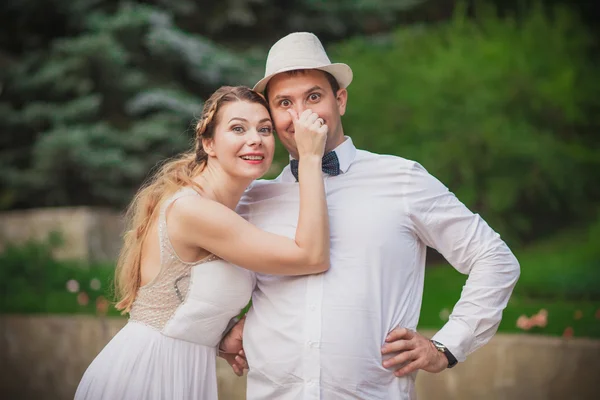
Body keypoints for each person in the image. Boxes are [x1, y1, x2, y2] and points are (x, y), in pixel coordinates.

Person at [220, 32, 521, 399]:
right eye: (284, 102)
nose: (301, 114)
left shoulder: (403, 179)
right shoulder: (253, 199)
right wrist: (226, 329)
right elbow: (202, 279)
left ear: (340, 100)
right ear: (271, 114)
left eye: (314, 96)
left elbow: (495, 258)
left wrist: (447, 347)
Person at [75, 85, 332, 400]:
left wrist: (226, 332)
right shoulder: (193, 210)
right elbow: (310, 256)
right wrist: (310, 158)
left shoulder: (223, 208)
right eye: (238, 128)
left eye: (264, 129)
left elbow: (195, 299)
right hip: (148, 375)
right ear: (208, 143)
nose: (256, 139)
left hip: (185, 372)